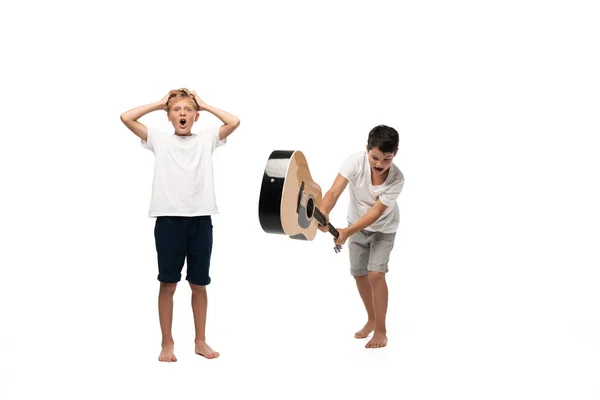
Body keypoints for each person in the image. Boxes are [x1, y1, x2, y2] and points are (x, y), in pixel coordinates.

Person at [120, 88, 240, 361]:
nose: (182, 114)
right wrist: (160, 103)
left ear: (196, 116)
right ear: (169, 117)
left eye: (187, 110)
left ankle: (200, 341)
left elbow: (233, 122)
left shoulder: (207, 139)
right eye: (176, 110)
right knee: (168, 284)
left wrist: (205, 104)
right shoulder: (159, 140)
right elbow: (126, 117)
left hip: (200, 220)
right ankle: (167, 343)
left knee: (199, 284)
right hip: (169, 221)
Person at [318, 125, 404, 348]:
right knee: (359, 274)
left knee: (376, 274)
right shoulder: (354, 162)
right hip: (355, 223)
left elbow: (375, 213)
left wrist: (347, 232)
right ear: (367, 149)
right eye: (375, 157)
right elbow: (334, 192)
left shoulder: (397, 179)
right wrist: (324, 212)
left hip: (383, 229)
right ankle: (372, 319)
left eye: (386, 159)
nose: (379, 164)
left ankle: (381, 331)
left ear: (395, 153)